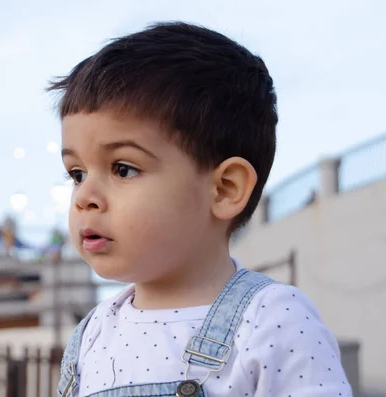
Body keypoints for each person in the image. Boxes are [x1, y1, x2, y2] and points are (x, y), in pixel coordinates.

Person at [47, 21, 352, 397]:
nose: (84, 197)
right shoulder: (92, 333)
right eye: (77, 173)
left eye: (123, 168)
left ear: (224, 189)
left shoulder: (272, 321)